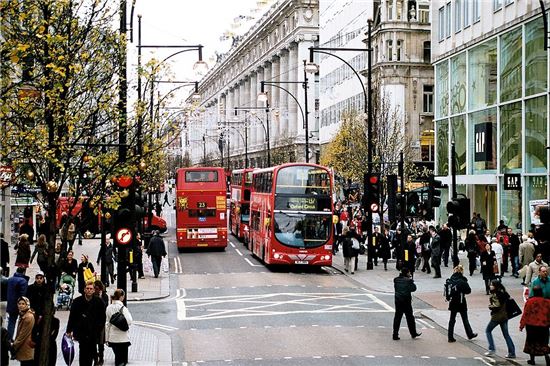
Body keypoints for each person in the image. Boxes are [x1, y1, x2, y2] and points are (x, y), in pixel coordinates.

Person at [66, 280, 106, 366]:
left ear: (94, 290)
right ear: (84, 289)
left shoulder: (99, 302)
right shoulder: (77, 302)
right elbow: (72, 317)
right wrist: (69, 330)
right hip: (81, 332)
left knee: (91, 352)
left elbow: (102, 318)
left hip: (93, 332)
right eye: (87, 288)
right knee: (83, 354)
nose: (89, 290)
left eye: (91, 288)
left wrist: (98, 329)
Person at [485, 280, 516, 359]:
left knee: (488, 330)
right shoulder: (504, 292)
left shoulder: (495, 294)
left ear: (495, 286)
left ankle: (491, 348)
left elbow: (496, 305)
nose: (490, 286)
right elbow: (509, 299)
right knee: (506, 335)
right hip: (504, 316)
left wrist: (490, 306)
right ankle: (512, 352)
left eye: (491, 285)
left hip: (497, 316)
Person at [519, 286, 550, 365]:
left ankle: (532, 360)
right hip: (543, 325)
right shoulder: (547, 302)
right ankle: (547, 357)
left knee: (531, 342)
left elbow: (525, 314)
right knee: (543, 342)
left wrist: (521, 325)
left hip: (531, 326)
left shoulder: (529, 302)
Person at [447, 265, 477, 342]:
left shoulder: (450, 280)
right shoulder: (462, 281)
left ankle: (450, 337)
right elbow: (468, 291)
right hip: (461, 302)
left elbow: (448, 292)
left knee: (452, 319)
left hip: (453, 302)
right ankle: (470, 334)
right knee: (465, 319)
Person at [392, 267, 421, 340]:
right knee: (410, 318)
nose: (410, 273)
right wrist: (411, 280)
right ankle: (413, 333)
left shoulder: (396, 280)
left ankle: (395, 334)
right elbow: (414, 289)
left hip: (398, 301)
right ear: (407, 273)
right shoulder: (408, 281)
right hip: (406, 302)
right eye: (409, 272)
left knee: (397, 318)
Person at [105, 289, 133, 366]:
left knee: (117, 357)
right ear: (121, 297)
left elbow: (107, 324)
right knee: (122, 360)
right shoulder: (123, 308)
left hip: (113, 337)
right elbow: (130, 321)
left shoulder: (108, 308)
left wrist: (106, 338)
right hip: (123, 338)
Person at [11, 296, 35, 365]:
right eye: (19, 303)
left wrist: (14, 345)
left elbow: (23, 334)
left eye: (23, 304)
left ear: (27, 304)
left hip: (26, 347)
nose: (21, 305)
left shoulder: (28, 317)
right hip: (24, 347)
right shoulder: (23, 314)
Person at [6, 267, 29, 339]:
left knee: (11, 322)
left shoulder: (10, 280)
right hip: (19, 305)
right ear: (24, 272)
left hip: (10, 304)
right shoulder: (23, 281)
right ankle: (18, 339)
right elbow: (23, 294)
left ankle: (9, 338)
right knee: (21, 322)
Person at [94, 280, 109, 366]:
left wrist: (100, 297)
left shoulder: (104, 296)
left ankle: (101, 358)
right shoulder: (92, 296)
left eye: (97, 288)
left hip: (101, 322)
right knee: (93, 342)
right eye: (95, 288)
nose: (96, 290)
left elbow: (104, 307)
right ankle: (95, 358)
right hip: (93, 322)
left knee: (100, 342)